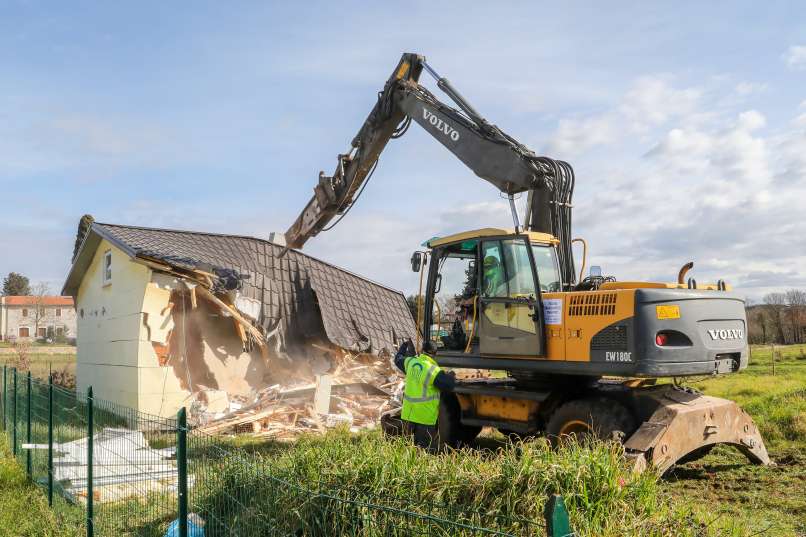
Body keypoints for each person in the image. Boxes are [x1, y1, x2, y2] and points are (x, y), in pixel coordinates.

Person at [394, 340, 455, 451]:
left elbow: (397, 359)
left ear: (422, 351)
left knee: (408, 449)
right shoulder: (434, 371)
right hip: (424, 418)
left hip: (408, 415)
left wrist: (403, 346)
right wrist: (451, 376)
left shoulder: (410, 363)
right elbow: (449, 386)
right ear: (435, 354)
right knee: (424, 449)